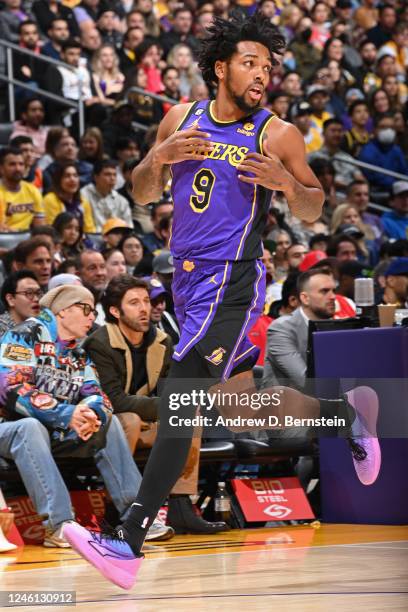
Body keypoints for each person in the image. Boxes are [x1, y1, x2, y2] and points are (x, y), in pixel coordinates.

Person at [64, 12, 381, 589]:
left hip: (233, 281)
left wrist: (286, 187)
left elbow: (313, 206)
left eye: (268, 65)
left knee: (179, 397)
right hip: (183, 282)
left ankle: (127, 541)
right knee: (223, 405)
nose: (262, 74)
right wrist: (159, 158)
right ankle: (347, 416)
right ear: (220, 68)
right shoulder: (179, 118)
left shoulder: (275, 132)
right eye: (250, 63)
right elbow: (142, 188)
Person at [0, 283, 171, 545]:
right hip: (9, 427)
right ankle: (60, 525)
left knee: (109, 424)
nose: (93, 316)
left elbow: (98, 394)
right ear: (63, 311)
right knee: (29, 427)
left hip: (54, 431)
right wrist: (65, 414)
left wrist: (91, 414)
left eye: (93, 310)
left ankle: (137, 519)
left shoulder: (78, 352)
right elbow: (11, 388)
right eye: (86, 309)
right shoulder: (23, 336)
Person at [84, 275, 224, 534]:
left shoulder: (163, 341)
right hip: (105, 425)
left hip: (149, 422)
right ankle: (118, 510)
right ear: (115, 311)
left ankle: (181, 507)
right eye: (134, 302)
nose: (145, 308)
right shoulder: (99, 344)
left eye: (146, 301)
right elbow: (112, 399)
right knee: (129, 419)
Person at [80, 160, 133, 232]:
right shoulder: (84, 194)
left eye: (114, 175)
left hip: (117, 239)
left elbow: (129, 226)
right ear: (96, 177)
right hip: (93, 236)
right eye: (107, 174)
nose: (112, 178)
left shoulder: (122, 201)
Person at [0, 147, 45, 232]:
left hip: (27, 240)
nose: (18, 169)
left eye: (21, 164)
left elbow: (40, 226)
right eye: (12, 164)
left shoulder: (33, 190)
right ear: (1, 168)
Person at [43, 162, 96, 233]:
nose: (72, 179)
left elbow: (90, 230)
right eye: (67, 176)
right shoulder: (50, 199)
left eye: (75, 176)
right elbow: (53, 230)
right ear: (59, 180)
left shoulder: (83, 201)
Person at [0, 270, 41, 337]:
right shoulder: (2, 331)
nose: (36, 299)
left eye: (38, 293)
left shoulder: (42, 327)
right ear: (10, 299)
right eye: (29, 293)